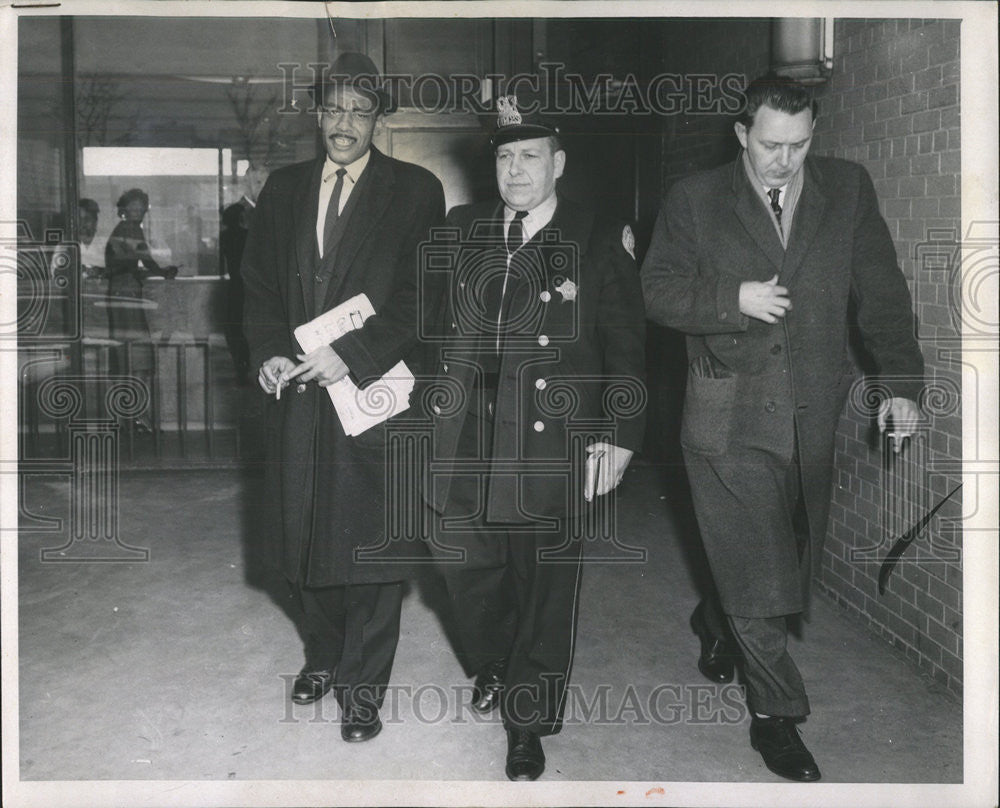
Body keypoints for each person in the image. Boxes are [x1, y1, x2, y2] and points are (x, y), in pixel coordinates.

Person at [640, 75, 924, 782]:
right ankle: (777, 714)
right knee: (759, 567)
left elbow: (880, 289)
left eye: (799, 146)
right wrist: (728, 298)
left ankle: (715, 619)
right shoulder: (695, 198)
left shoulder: (847, 189)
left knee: (785, 554)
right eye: (771, 144)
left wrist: (901, 384)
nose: (784, 160)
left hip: (808, 414)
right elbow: (656, 290)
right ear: (743, 135)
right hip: (724, 415)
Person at [423, 96, 646, 780]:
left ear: (559, 163)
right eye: (505, 157)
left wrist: (621, 435)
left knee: (544, 579)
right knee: (461, 561)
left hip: (550, 437)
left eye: (530, 156)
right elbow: (421, 320)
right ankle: (493, 662)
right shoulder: (463, 230)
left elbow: (626, 348)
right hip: (465, 432)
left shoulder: (598, 236)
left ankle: (527, 717)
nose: (516, 170)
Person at [241, 52, 445, 743]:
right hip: (298, 400)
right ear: (318, 113)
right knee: (297, 547)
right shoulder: (284, 189)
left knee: (372, 550)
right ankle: (324, 654)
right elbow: (260, 288)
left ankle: (363, 689)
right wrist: (269, 350)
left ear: (378, 120)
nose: (346, 123)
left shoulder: (416, 190)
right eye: (335, 109)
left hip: (371, 392)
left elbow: (422, 297)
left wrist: (351, 355)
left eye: (361, 111)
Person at [220, 202, 251, 384]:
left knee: (234, 328)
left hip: (234, 286)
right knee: (242, 328)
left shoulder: (224, 237)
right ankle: (244, 366)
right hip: (245, 286)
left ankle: (240, 367)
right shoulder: (247, 235)